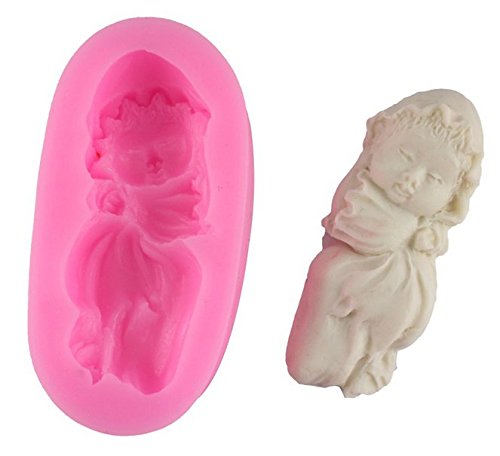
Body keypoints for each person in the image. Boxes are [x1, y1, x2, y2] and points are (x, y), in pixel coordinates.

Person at [286, 89, 483, 397]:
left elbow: (430, 245)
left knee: (392, 314)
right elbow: (342, 218)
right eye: (405, 156)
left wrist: (419, 237)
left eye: (434, 178)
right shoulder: (361, 192)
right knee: (328, 274)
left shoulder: (425, 231)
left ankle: (366, 359)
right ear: (379, 140)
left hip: (401, 284)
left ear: (452, 196)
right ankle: (325, 359)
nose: (411, 180)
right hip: (351, 270)